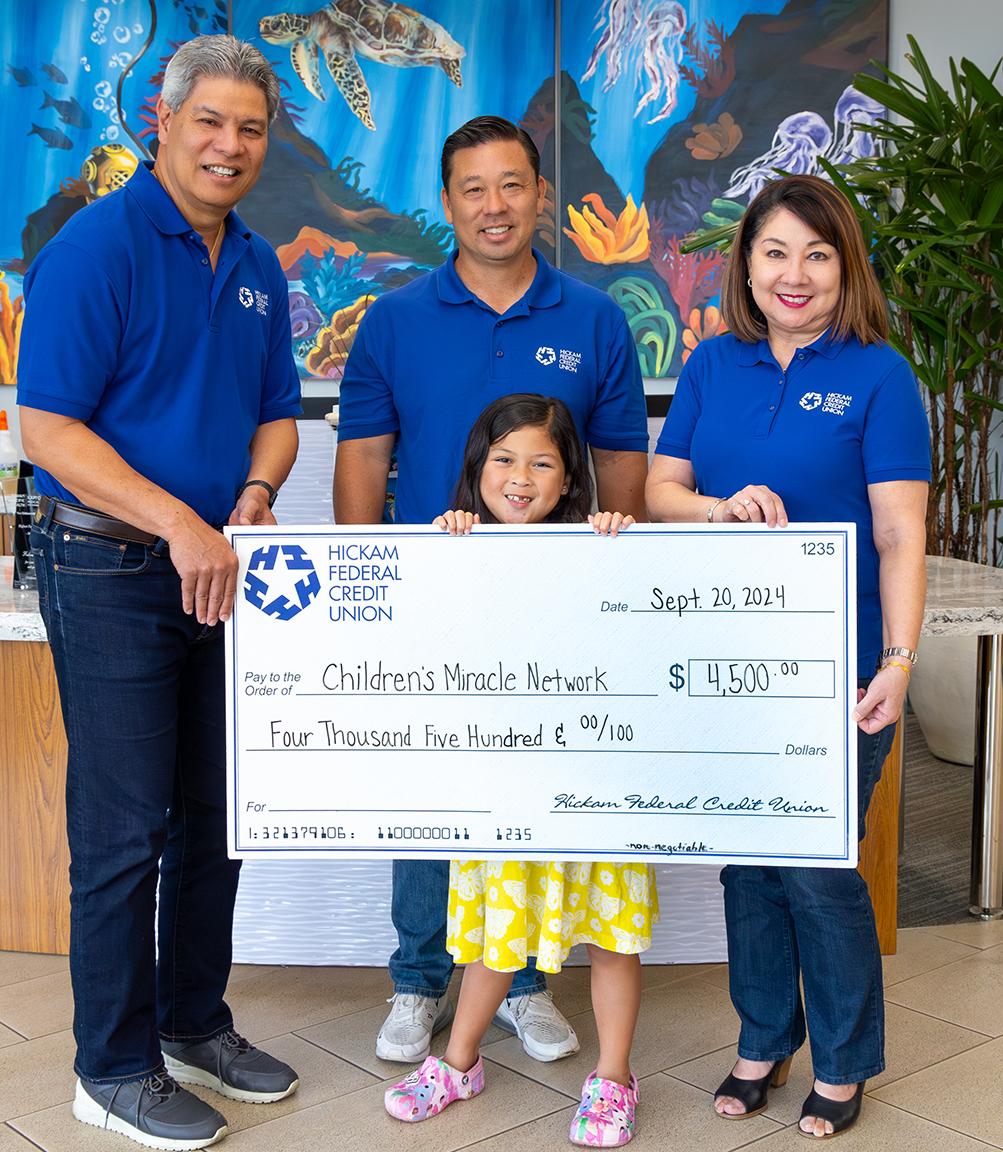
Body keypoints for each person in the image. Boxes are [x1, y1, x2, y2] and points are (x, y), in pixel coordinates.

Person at [16, 35, 302, 1151]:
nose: (231, 146)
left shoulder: (260, 265)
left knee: (215, 821)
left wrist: (255, 489)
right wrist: (181, 520)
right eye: (211, 123)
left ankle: (194, 1024)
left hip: (215, 571)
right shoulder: (97, 247)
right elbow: (46, 429)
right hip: (108, 566)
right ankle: (111, 1066)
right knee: (124, 829)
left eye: (251, 128)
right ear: (162, 123)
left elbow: (278, 408)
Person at [333, 115, 651, 1067]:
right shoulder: (394, 320)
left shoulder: (593, 319)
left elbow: (621, 468)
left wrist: (609, 579)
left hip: (556, 615)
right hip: (434, 604)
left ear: (539, 194)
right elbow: (362, 464)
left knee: (534, 788)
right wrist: (368, 594)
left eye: (512, 185)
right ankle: (419, 977)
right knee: (435, 792)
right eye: (473, 189)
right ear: (448, 204)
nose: (494, 206)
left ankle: (522, 984)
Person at [645, 174, 929, 1139]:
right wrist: (719, 507)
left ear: (845, 265)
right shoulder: (713, 366)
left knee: (814, 866)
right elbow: (660, 490)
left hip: (839, 669)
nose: (794, 274)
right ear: (748, 263)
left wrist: (897, 662)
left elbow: (900, 537)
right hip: (727, 666)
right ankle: (765, 1037)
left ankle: (846, 1061)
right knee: (746, 868)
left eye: (817, 253)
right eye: (776, 253)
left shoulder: (880, 376)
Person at [383, 395, 650, 1148]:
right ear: (477, 471)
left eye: (542, 462)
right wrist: (443, 549)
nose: (521, 476)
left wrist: (618, 541)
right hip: (504, 793)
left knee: (615, 936)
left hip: (600, 794)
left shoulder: (605, 549)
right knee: (496, 936)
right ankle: (459, 1062)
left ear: (570, 482)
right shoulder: (455, 549)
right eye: (503, 459)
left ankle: (616, 1077)